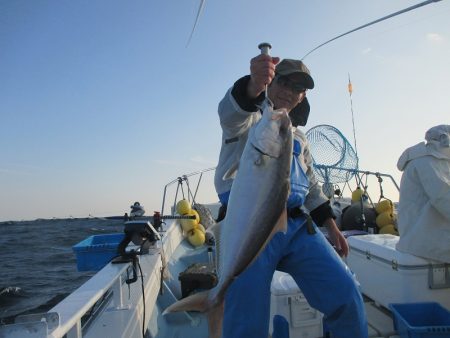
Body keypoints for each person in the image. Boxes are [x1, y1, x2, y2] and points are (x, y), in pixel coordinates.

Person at [214, 53, 367, 337]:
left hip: (296, 226)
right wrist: (251, 87)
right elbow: (231, 114)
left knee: (346, 293)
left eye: (297, 88)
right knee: (246, 318)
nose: (288, 91)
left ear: (303, 96)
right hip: (248, 224)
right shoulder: (250, 120)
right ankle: (219, 303)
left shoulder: (298, 136)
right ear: (271, 83)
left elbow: (309, 183)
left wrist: (331, 225)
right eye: (283, 82)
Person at [396, 124, 450, 262]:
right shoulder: (427, 161)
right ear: (445, 139)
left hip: (421, 240)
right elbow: (443, 197)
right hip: (427, 245)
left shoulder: (435, 160)